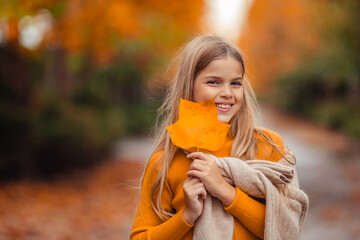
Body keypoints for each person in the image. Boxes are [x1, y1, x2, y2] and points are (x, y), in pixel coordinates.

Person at [130, 35, 308, 240]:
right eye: (213, 82)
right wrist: (187, 216)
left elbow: (286, 229)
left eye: (235, 83)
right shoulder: (165, 161)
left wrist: (224, 191)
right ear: (189, 85)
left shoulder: (267, 146)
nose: (227, 92)